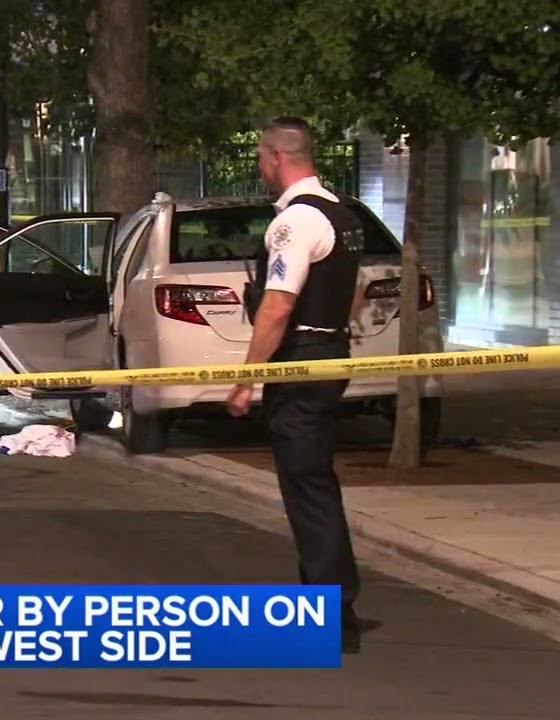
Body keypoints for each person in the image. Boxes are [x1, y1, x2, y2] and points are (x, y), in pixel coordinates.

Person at [226, 116, 366, 654]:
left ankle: (331, 614)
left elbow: (277, 306)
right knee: (315, 482)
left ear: (275, 156)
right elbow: (355, 291)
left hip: (301, 363)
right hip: (329, 356)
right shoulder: (342, 214)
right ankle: (327, 604)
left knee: (307, 487)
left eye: (261, 157)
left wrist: (247, 378)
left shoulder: (296, 221)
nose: (259, 166)